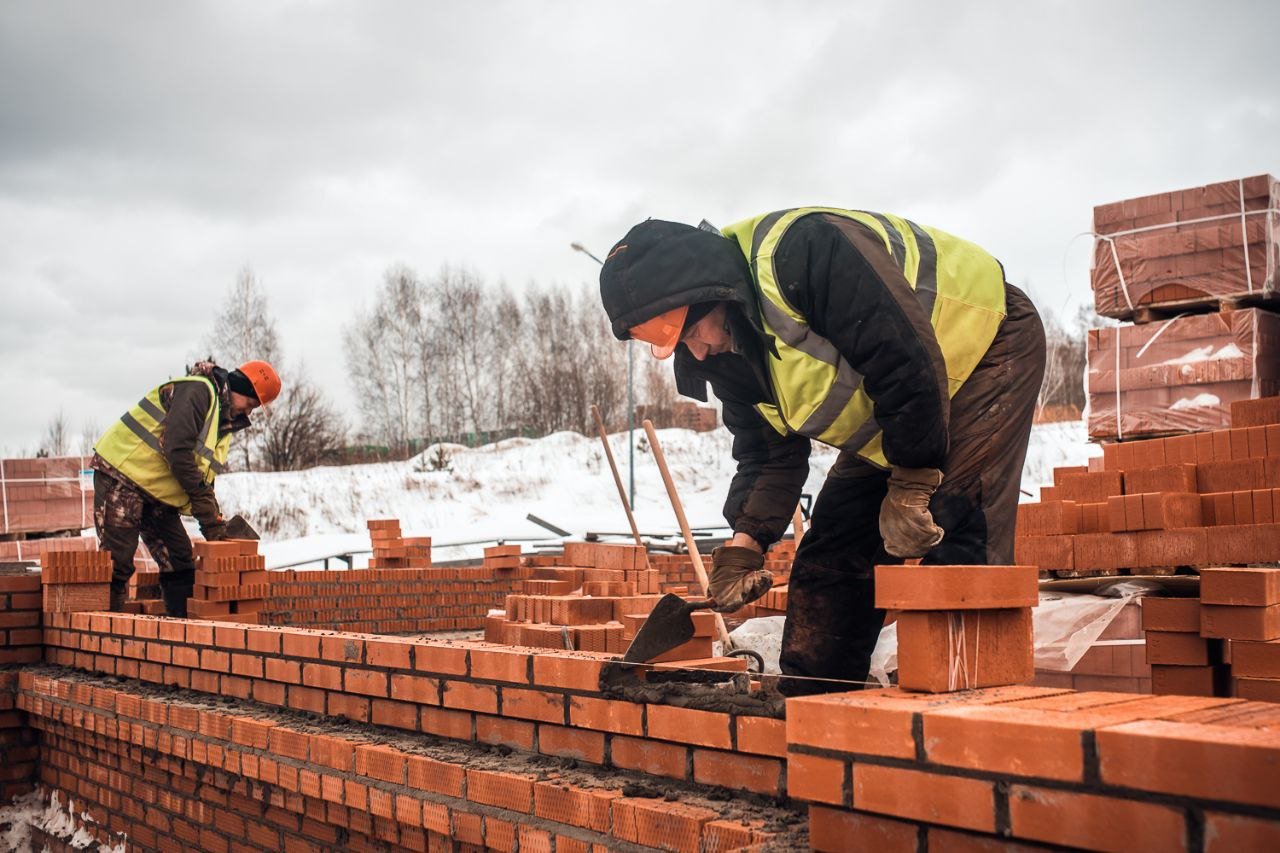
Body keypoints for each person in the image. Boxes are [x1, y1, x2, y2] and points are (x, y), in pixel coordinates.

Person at [598, 208, 1045, 695]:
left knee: (955, 524)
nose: (695, 352)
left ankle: (971, 721)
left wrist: (913, 478)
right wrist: (743, 548)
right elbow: (768, 457)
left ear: (708, 290)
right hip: (895, 411)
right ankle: (819, 712)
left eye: (686, 330)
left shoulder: (804, 252)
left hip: (987, 345)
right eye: (671, 343)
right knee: (832, 559)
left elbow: (902, 360)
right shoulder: (723, 355)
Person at [91, 360, 281, 617]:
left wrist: (212, 516)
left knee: (179, 560)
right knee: (118, 561)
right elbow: (177, 451)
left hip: (156, 490)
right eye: (251, 404)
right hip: (123, 473)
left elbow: (202, 475)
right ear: (243, 388)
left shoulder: (222, 421)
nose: (250, 411)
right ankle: (102, 637)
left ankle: (181, 636)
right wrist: (204, 507)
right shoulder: (198, 391)